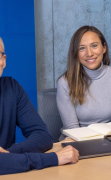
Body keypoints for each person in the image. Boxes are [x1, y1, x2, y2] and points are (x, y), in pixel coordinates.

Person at [0, 37, 79, 175]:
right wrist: (53, 158)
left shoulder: (12, 88)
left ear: (3, 61)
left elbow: (43, 136)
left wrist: (10, 154)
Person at [57, 26, 111, 140]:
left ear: (104, 48)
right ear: (76, 53)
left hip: (110, 141)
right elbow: (72, 127)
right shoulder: (65, 82)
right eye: (82, 48)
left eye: (94, 46)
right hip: (77, 142)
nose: (89, 53)